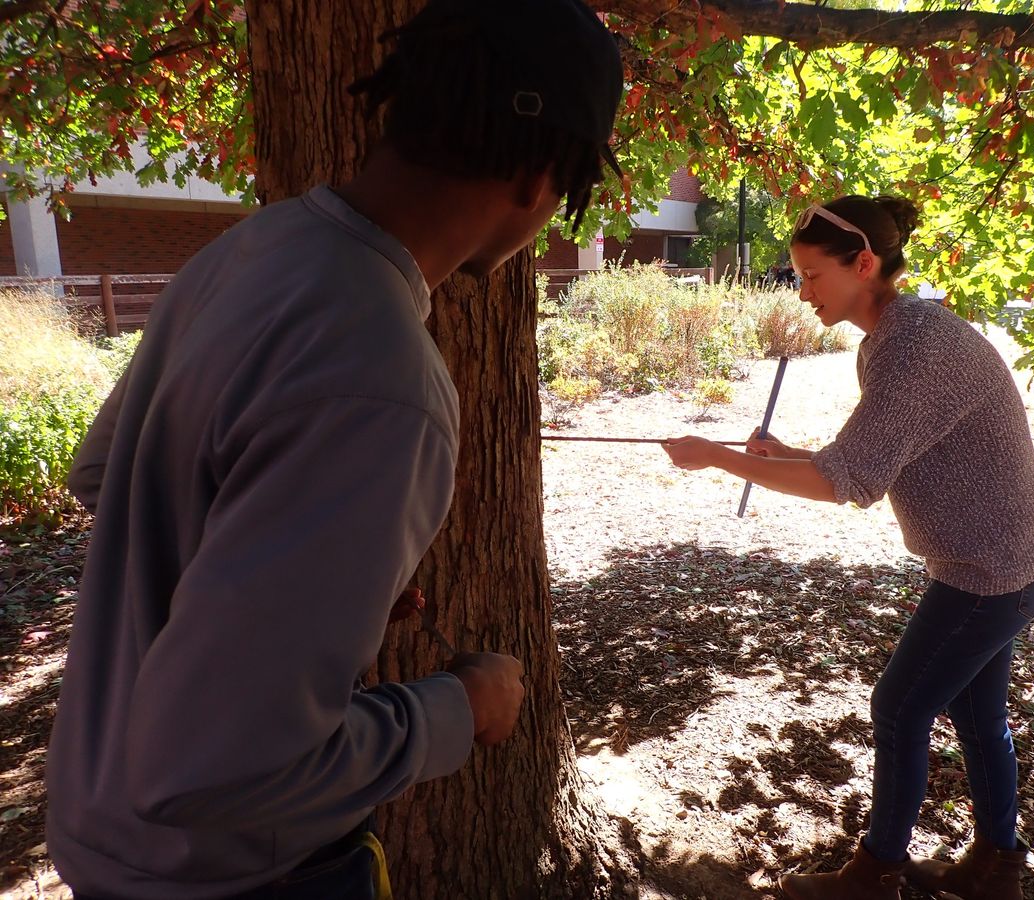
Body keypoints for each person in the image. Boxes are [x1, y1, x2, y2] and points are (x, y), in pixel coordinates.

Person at [46, 1, 624, 898]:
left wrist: (274, 584)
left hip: (97, 831)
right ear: (542, 174)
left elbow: (103, 477)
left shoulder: (249, 251)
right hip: (222, 876)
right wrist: (460, 710)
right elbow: (211, 773)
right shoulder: (385, 378)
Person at [661, 195, 1034, 900]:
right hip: (1015, 558)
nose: (803, 290)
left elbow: (848, 481)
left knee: (900, 708)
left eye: (812, 275)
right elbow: (865, 459)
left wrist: (722, 458)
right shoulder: (897, 334)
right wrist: (785, 455)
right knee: (976, 714)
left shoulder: (914, 346)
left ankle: (876, 874)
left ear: (865, 264)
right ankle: (998, 867)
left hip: (992, 570)